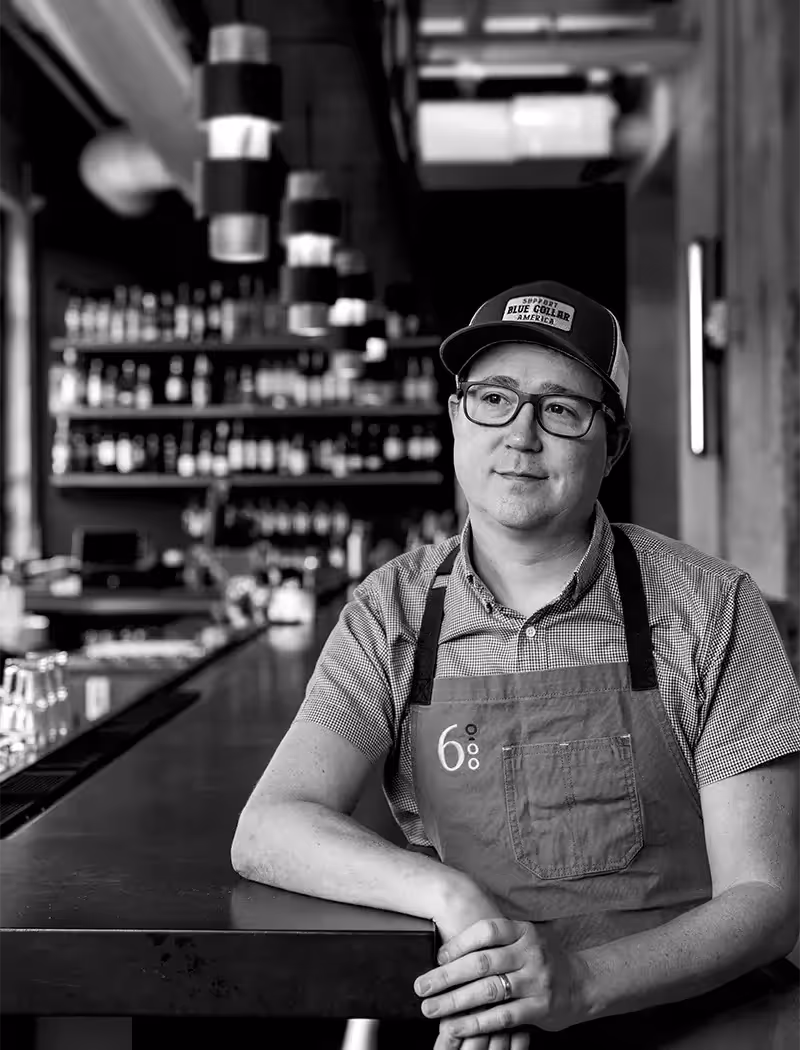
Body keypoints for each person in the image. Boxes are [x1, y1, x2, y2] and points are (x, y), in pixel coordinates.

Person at [231, 280, 800, 1048]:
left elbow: (765, 899)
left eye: (561, 409)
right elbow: (269, 828)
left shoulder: (713, 606)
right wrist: (448, 894)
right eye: (493, 398)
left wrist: (580, 983)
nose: (520, 436)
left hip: (699, 1017)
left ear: (614, 443)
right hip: (482, 1025)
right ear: (455, 418)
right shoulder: (389, 611)